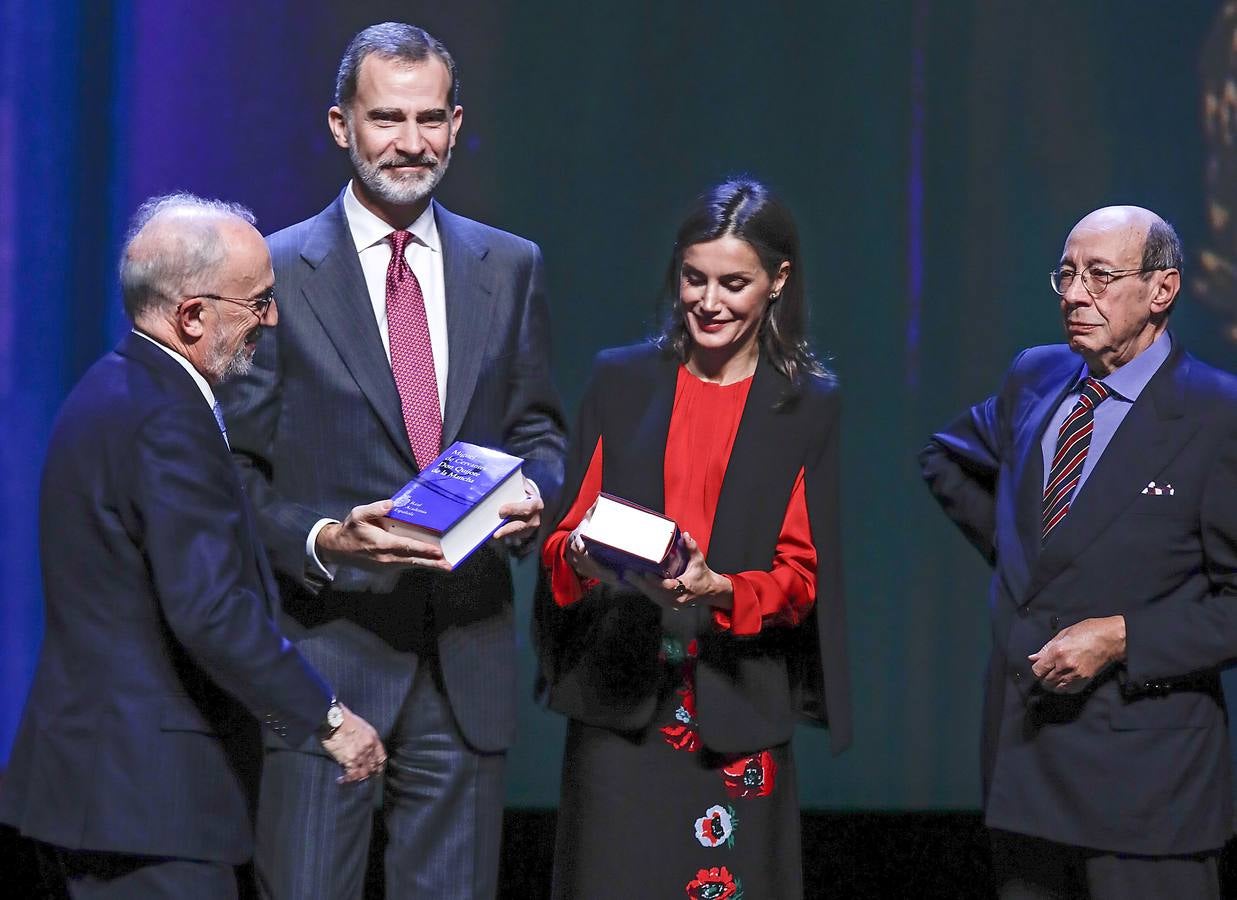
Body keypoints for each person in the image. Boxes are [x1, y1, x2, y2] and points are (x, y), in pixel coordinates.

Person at [215, 22, 566, 900]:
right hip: (326, 665)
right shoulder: (274, 274)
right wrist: (331, 538)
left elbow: (539, 433)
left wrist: (535, 496)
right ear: (340, 126)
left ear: (455, 122)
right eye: (385, 118)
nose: (409, 143)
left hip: (466, 659)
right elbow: (234, 480)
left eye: (428, 118)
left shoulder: (510, 264)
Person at [0, 194, 386, 899]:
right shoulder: (167, 420)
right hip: (148, 804)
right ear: (192, 316)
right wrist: (328, 719)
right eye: (259, 301)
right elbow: (211, 611)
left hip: (106, 791)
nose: (271, 319)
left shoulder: (112, 386)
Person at [534, 178, 851, 899]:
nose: (709, 302)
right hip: (621, 701)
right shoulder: (621, 380)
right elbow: (562, 542)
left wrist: (717, 588)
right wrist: (581, 554)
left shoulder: (805, 403)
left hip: (735, 706)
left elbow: (802, 576)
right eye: (693, 278)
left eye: (733, 283)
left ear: (777, 282)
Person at [921, 206, 1237, 899]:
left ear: (1162, 290)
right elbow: (944, 458)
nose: (1072, 294)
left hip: (1148, 788)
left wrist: (1124, 636)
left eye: (1099, 275)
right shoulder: (1035, 377)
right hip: (1027, 765)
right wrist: (1024, 566)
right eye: (1064, 274)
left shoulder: (1217, 415)